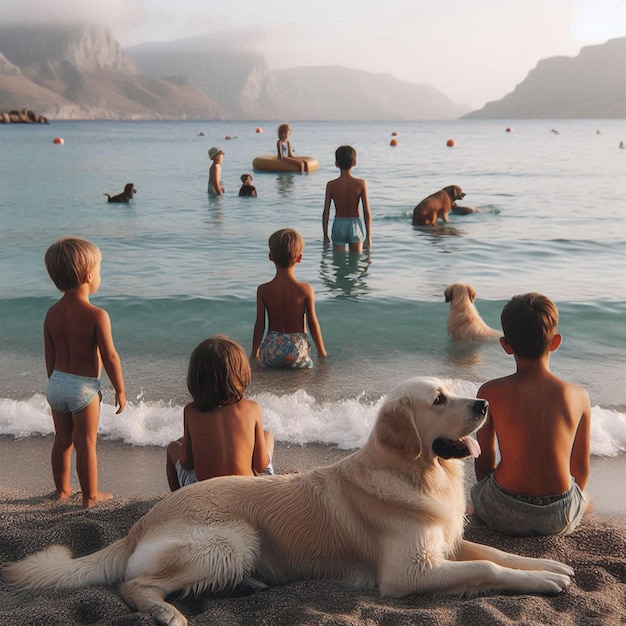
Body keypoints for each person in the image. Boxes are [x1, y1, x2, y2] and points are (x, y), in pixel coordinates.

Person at [471, 292, 591, 536]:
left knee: (478, 495)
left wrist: (487, 493)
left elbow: (483, 461)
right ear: (555, 342)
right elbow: (580, 468)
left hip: (502, 510)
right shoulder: (578, 396)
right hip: (558, 517)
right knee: (587, 501)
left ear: (506, 346)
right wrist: (570, 502)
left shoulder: (490, 392)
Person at [43, 237, 127, 507]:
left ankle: (62, 490)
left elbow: (49, 355)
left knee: (62, 440)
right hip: (84, 389)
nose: (100, 274)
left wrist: (54, 385)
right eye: (100, 269)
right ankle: (90, 497)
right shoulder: (96, 315)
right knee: (87, 444)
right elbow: (110, 356)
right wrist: (120, 388)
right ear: (89, 275)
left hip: (56, 384)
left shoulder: (51, 313)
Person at [166, 335, 274, 490]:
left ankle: (178, 501)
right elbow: (261, 464)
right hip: (247, 492)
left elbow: (187, 463)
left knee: (173, 446)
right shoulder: (252, 408)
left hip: (205, 492)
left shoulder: (191, 411)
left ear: (197, 378)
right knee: (267, 436)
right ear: (241, 373)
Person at [251, 228, 327, 368]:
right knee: (303, 373)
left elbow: (260, 324)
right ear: (299, 258)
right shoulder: (305, 289)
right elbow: (312, 323)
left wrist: (253, 353)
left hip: (272, 347)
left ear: (270, 256)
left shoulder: (263, 290)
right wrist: (322, 353)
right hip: (296, 348)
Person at [323, 145, 372, 253]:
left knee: (338, 263)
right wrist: (368, 237)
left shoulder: (331, 185)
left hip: (338, 224)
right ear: (354, 162)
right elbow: (366, 211)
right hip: (355, 224)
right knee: (356, 263)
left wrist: (325, 235)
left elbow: (326, 211)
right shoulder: (360, 184)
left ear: (336, 164)